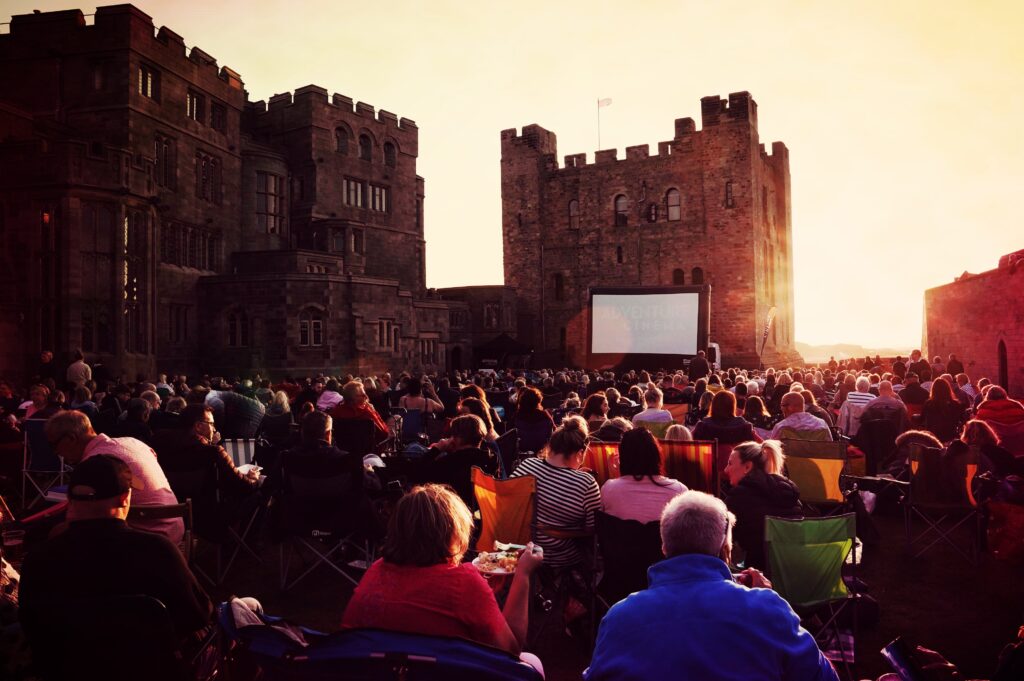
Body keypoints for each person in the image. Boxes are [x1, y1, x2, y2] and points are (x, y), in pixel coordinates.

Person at [585, 490, 838, 681]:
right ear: (725, 549)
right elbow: (823, 676)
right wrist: (773, 610)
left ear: (664, 548)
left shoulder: (619, 616)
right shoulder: (767, 608)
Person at [18, 455, 212, 674]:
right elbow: (197, 616)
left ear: (70, 500)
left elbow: (32, 630)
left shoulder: (39, 560)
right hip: (151, 671)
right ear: (124, 498)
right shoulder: (157, 551)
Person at [341, 485, 544, 674]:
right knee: (531, 662)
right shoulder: (462, 582)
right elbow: (510, 652)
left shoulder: (376, 572)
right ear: (453, 533)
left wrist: (483, 595)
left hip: (379, 672)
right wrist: (523, 575)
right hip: (443, 673)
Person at [43, 410, 183, 543]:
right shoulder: (134, 443)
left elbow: (84, 518)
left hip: (143, 541)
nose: (56, 452)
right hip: (174, 531)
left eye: (53, 445)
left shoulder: (95, 463)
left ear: (71, 438)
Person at [511, 417, 601, 569]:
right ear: (580, 452)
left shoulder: (527, 465)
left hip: (519, 545)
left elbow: (510, 498)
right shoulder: (586, 483)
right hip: (555, 554)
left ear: (552, 446)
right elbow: (592, 528)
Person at [723, 440, 802, 569]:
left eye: (730, 464)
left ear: (748, 467)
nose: (726, 470)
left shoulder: (739, 497)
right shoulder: (790, 495)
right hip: (794, 571)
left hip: (759, 573)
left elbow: (720, 538)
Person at [600, 428, 685, 523]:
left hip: (624, 538)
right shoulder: (679, 491)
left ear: (624, 458)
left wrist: (616, 478)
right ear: (656, 454)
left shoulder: (608, 489)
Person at [693, 391, 761, 446]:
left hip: (708, 461)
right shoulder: (744, 427)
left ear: (713, 406)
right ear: (732, 406)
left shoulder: (702, 426)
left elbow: (687, 441)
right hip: (737, 462)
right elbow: (760, 445)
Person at [920, 377, 966, 443]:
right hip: (951, 436)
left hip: (933, 437)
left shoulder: (929, 404)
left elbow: (922, 419)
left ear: (933, 390)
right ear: (948, 389)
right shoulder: (955, 404)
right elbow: (962, 419)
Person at [513, 386, 555, 453]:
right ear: (538, 401)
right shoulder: (545, 415)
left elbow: (513, 436)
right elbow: (551, 435)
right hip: (542, 449)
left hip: (523, 449)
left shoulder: (517, 416)